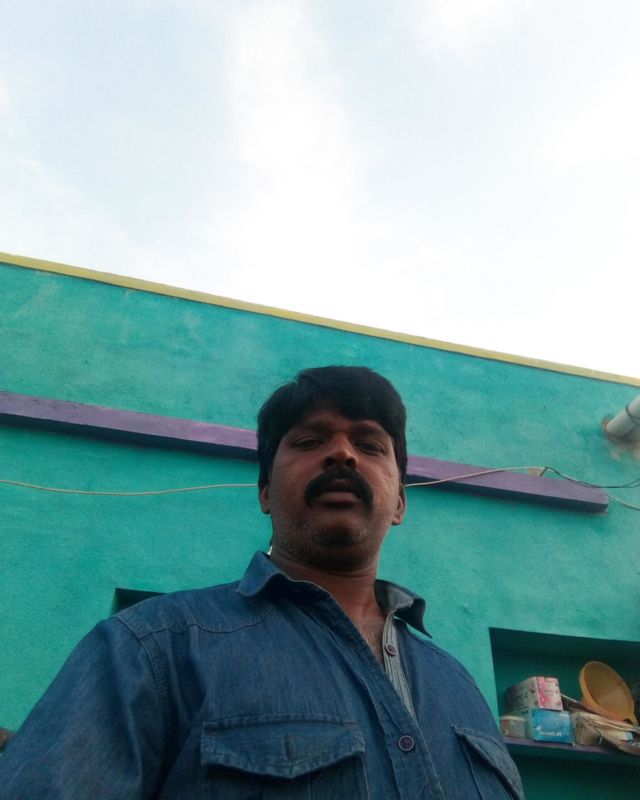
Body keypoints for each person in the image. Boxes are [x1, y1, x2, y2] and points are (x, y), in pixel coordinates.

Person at [0, 366, 524, 799]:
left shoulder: (460, 687)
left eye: (369, 444)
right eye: (310, 440)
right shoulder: (149, 650)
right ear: (266, 492)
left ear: (401, 502)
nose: (343, 454)